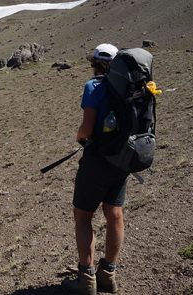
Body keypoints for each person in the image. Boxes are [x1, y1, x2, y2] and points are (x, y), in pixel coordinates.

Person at [62, 43, 128, 295]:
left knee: (83, 216)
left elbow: (86, 128)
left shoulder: (94, 87)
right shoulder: (129, 86)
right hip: (121, 160)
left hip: (97, 160)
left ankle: (86, 279)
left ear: (95, 63)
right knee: (115, 214)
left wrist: (80, 139)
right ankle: (108, 274)